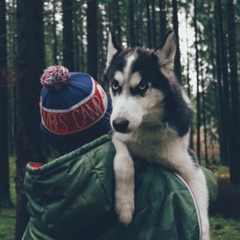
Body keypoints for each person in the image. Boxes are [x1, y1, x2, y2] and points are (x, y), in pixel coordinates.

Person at [22, 66, 218, 240]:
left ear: (52, 139)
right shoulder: (162, 185)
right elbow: (207, 184)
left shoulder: (40, 213)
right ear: (108, 115)